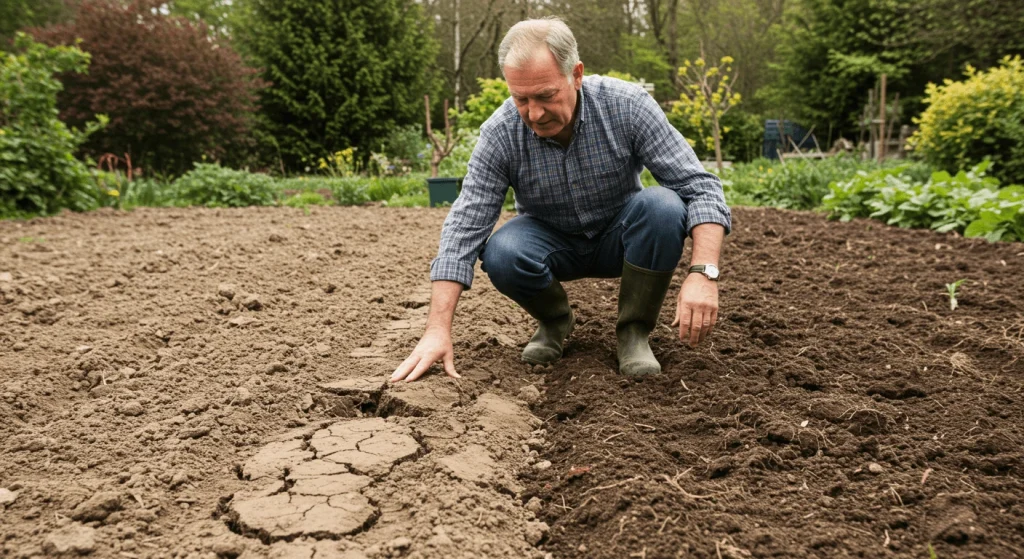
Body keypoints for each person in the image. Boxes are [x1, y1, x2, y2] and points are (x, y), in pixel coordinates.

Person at [391, 17, 730, 383]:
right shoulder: (501, 133)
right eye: (520, 99)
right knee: (503, 251)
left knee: (664, 206)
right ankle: (555, 321)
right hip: (551, 243)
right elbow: (465, 225)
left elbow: (701, 188)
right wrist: (437, 329)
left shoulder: (627, 106)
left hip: (623, 236)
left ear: (577, 74)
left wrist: (703, 273)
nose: (534, 114)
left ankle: (634, 331)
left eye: (546, 96)